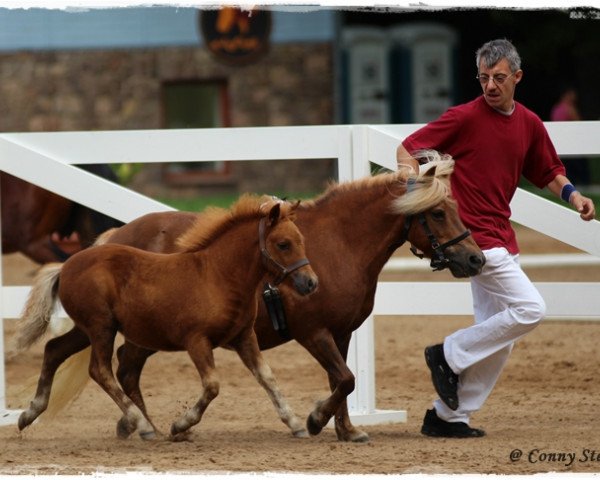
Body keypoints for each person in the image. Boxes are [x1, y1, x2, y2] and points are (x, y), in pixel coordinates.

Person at [396, 39, 596, 438]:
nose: (490, 85)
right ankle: (447, 353)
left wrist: (574, 196)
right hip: (473, 241)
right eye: (484, 77)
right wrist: (410, 180)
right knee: (530, 309)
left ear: (517, 77)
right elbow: (407, 148)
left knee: (498, 338)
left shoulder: (529, 124)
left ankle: (447, 417)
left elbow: (547, 170)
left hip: (503, 237)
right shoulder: (464, 117)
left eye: (499, 78)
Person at [550, 87, 591, 185]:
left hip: (559, 140)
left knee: (566, 165)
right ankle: (583, 183)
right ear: (567, 94)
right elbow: (578, 123)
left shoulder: (556, 108)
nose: (575, 96)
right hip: (572, 141)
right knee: (578, 164)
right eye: (572, 94)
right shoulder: (569, 108)